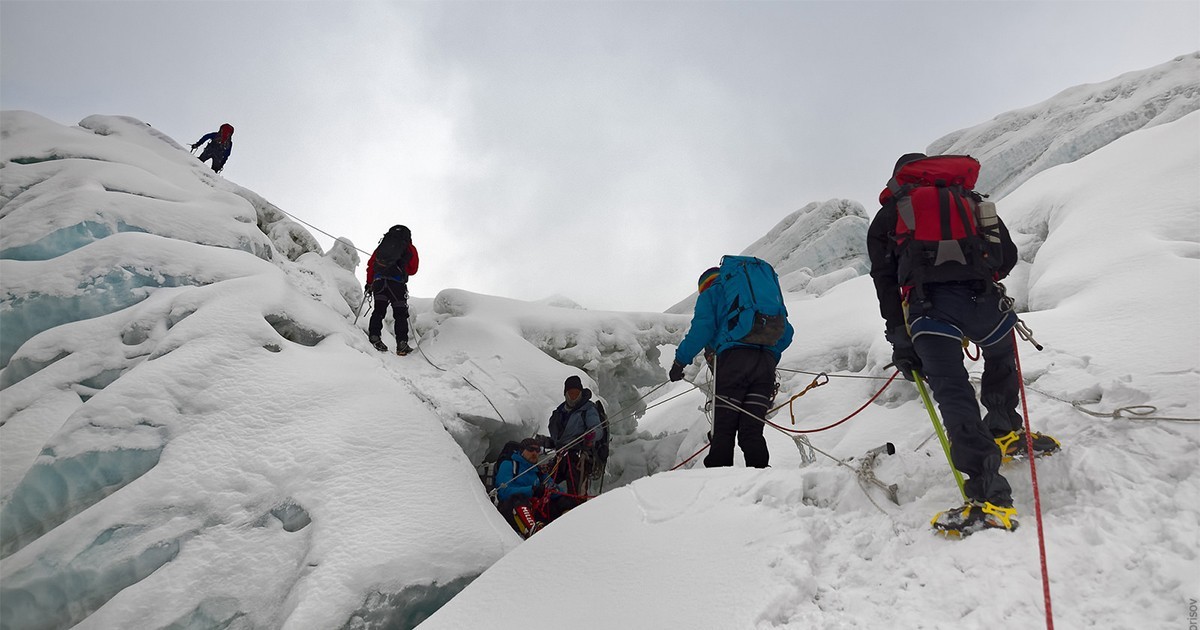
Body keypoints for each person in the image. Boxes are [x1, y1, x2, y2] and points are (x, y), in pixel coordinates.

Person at [867, 152, 1060, 534]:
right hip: (985, 301)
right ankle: (1005, 430)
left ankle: (990, 496)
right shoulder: (970, 200)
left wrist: (899, 335)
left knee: (954, 393)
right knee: (1001, 359)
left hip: (930, 309)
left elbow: (885, 280)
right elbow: (1005, 257)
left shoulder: (891, 214)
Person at [669, 264, 794, 468]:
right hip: (765, 367)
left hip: (733, 364)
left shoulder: (712, 293)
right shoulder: (757, 299)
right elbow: (786, 334)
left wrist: (679, 361)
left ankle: (718, 479)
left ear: (704, 286)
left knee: (723, 429)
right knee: (752, 430)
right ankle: (761, 476)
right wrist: (769, 355)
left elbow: (702, 329)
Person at [494, 438, 577, 537]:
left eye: (537, 450)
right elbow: (503, 491)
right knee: (518, 499)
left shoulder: (538, 471)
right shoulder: (509, 465)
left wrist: (553, 490)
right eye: (530, 449)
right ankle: (533, 532)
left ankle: (569, 530)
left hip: (535, 509)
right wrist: (531, 490)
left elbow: (555, 488)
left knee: (565, 501)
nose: (534, 453)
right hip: (512, 508)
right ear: (522, 451)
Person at [547, 375, 606, 496]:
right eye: (571, 393)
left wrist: (591, 435)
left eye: (576, 393)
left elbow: (598, 430)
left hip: (581, 456)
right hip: (561, 454)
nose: (573, 396)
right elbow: (556, 436)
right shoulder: (559, 412)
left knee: (575, 486)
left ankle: (577, 508)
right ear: (566, 393)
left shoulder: (588, 409)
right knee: (546, 481)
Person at [365, 225, 419, 356]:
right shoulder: (409, 248)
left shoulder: (382, 246)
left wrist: (369, 283)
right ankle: (402, 344)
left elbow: (371, 264)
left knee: (379, 310)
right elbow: (413, 269)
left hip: (379, 283)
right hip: (397, 285)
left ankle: (374, 336)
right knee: (400, 314)